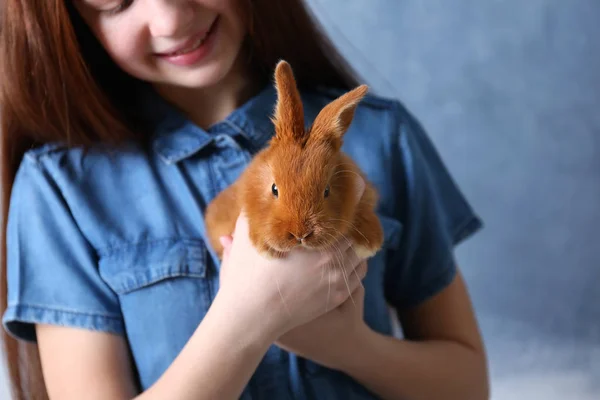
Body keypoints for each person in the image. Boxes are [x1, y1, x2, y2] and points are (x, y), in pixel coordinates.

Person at [0, 0, 489, 399]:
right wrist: (248, 319)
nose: (171, 18)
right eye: (117, 3)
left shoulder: (382, 137)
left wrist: (349, 347)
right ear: (75, 22)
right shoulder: (61, 190)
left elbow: (467, 384)